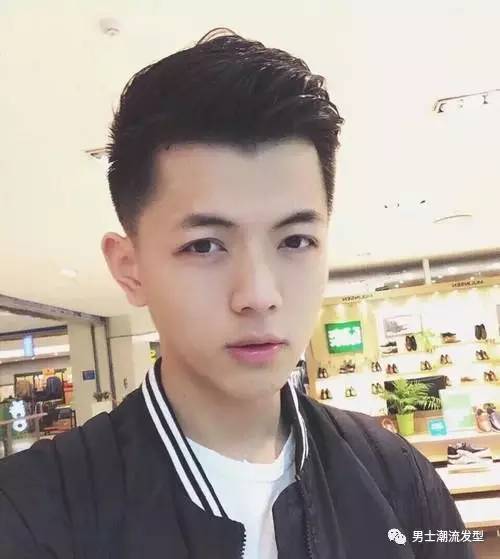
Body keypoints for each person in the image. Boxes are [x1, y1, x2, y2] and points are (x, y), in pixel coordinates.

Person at [0, 29, 473, 559]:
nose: (259, 295)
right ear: (130, 270)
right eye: (204, 246)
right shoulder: (31, 514)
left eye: (295, 241)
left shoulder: (398, 479)